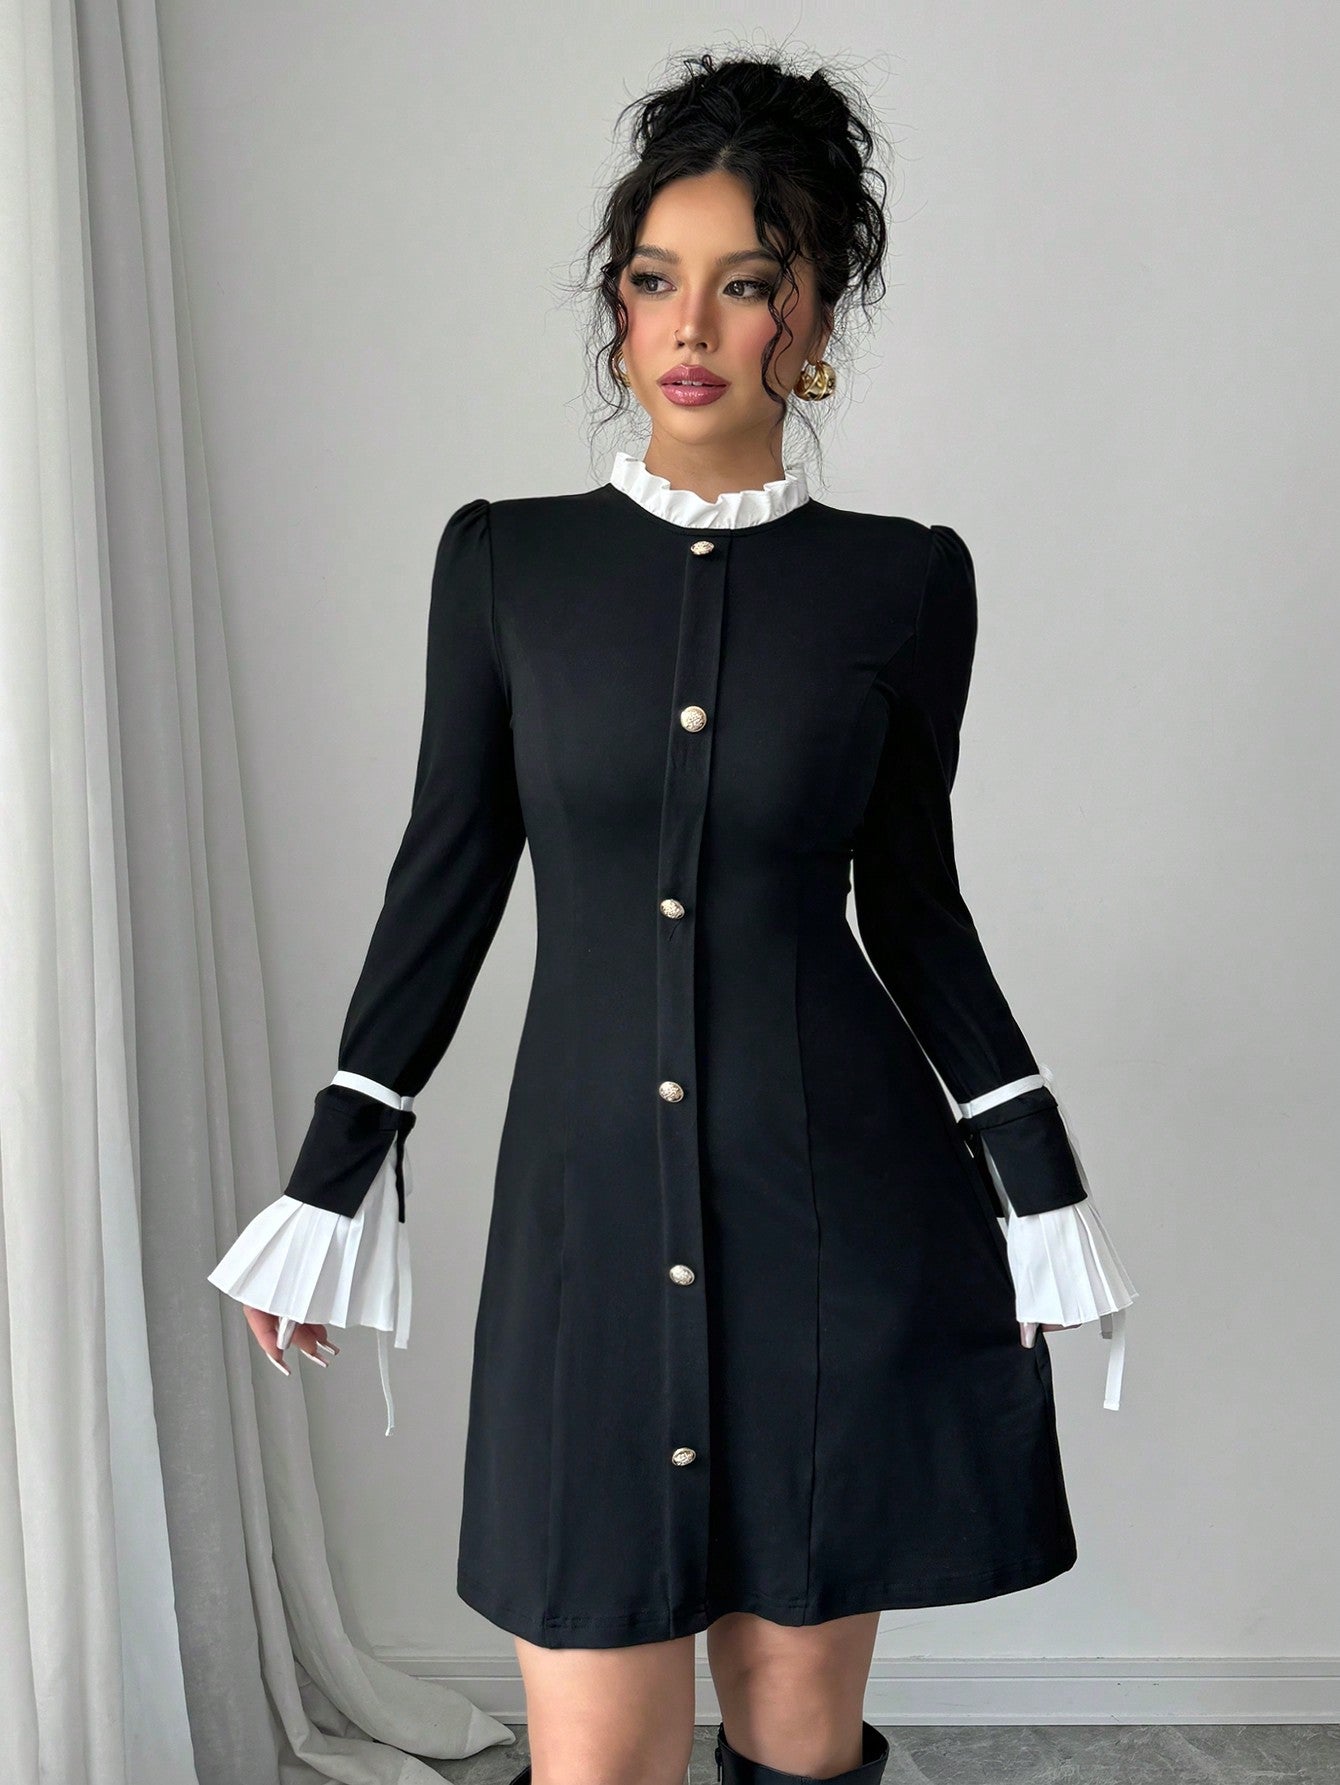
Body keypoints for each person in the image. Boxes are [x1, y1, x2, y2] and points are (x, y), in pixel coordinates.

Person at [207, 46, 1137, 1785]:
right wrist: (329, 1176)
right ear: (618, 305)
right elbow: (445, 879)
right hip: (585, 1227)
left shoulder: (904, 582)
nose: (689, 324)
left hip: (835, 1219)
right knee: (599, 1753)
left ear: (817, 310)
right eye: (653, 279)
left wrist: (1037, 1180)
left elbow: (915, 906)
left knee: (799, 1741)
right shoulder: (506, 566)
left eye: (746, 282)